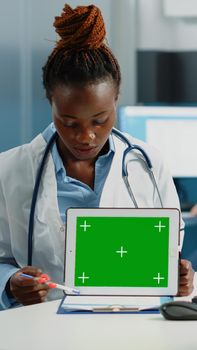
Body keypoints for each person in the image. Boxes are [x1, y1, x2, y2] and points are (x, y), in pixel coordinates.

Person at [0, 3, 194, 309]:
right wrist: (10, 283)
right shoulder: (9, 171)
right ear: (50, 103)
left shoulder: (148, 164)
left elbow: (169, 251)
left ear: (116, 100)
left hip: (132, 327)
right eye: (69, 122)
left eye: (100, 119)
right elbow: (2, 260)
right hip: (45, 330)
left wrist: (179, 277)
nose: (85, 136)